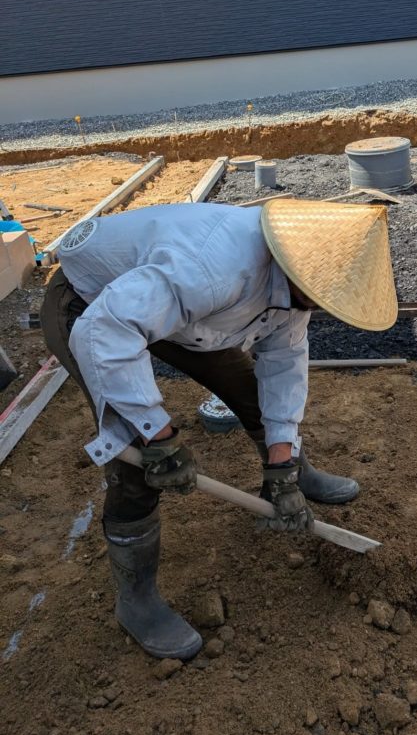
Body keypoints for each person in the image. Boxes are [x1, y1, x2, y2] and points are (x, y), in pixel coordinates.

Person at [41, 197, 398, 661]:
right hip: (92, 308)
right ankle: (137, 600)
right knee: (135, 459)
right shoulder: (215, 268)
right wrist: (159, 437)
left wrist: (282, 462)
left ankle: (291, 478)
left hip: (186, 313)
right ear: (295, 264)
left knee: (252, 393)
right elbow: (107, 331)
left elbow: (284, 363)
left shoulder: (298, 284)